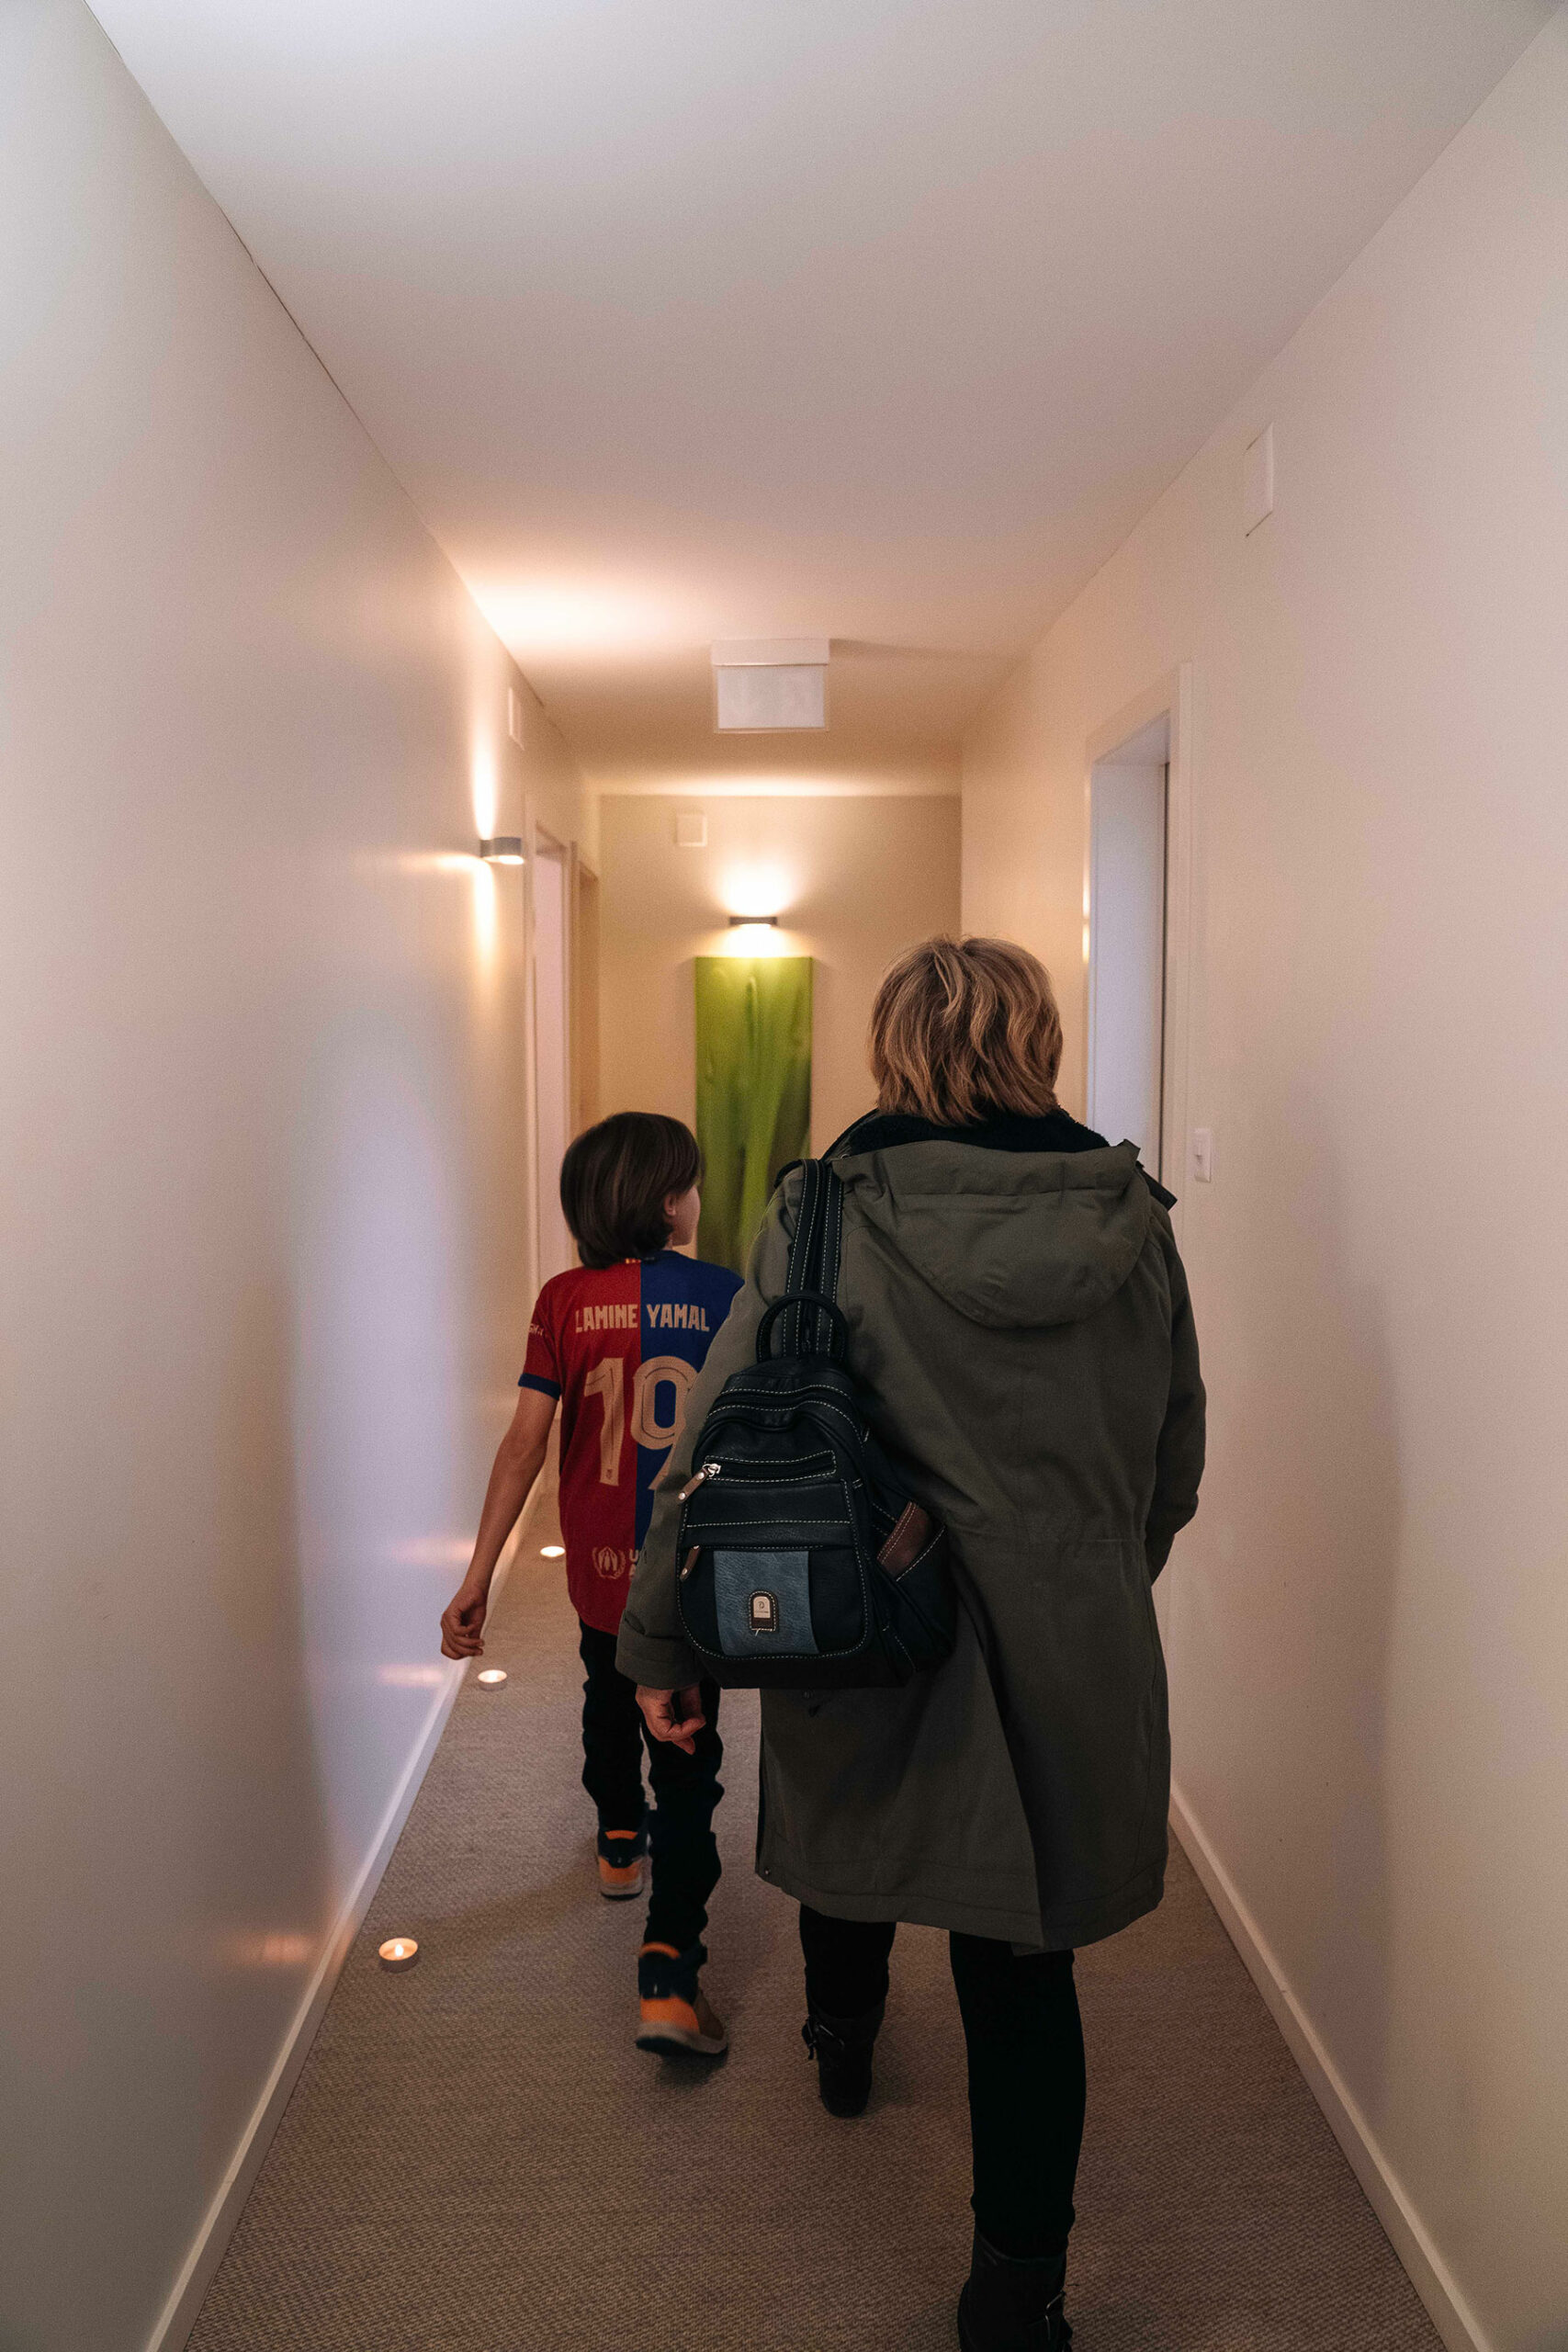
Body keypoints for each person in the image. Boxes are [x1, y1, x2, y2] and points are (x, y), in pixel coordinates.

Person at [617, 937, 1204, 2350]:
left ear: (892, 1047)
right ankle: (1016, 2293)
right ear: (1035, 1042)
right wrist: (1088, 1584)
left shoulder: (821, 1209)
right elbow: (1169, 1455)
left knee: (856, 1850)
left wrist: (659, 1648)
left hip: (864, 1616)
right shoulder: (1128, 1218)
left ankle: (842, 2043)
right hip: (1071, 1643)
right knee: (1024, 1971)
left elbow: (713, 1442)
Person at [440, 1112, 742, 2060]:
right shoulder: (729, 1295)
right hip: (690, 1575)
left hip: (601, 1571)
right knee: (688, 1767)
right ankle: (668, 1975)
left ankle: (617, 1837)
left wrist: (479, 1573)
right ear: (669, 1201)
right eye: (690, 1183)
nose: (697, 1197)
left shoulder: (562, 1300)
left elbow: (524, 1444)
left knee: (607, 1699)